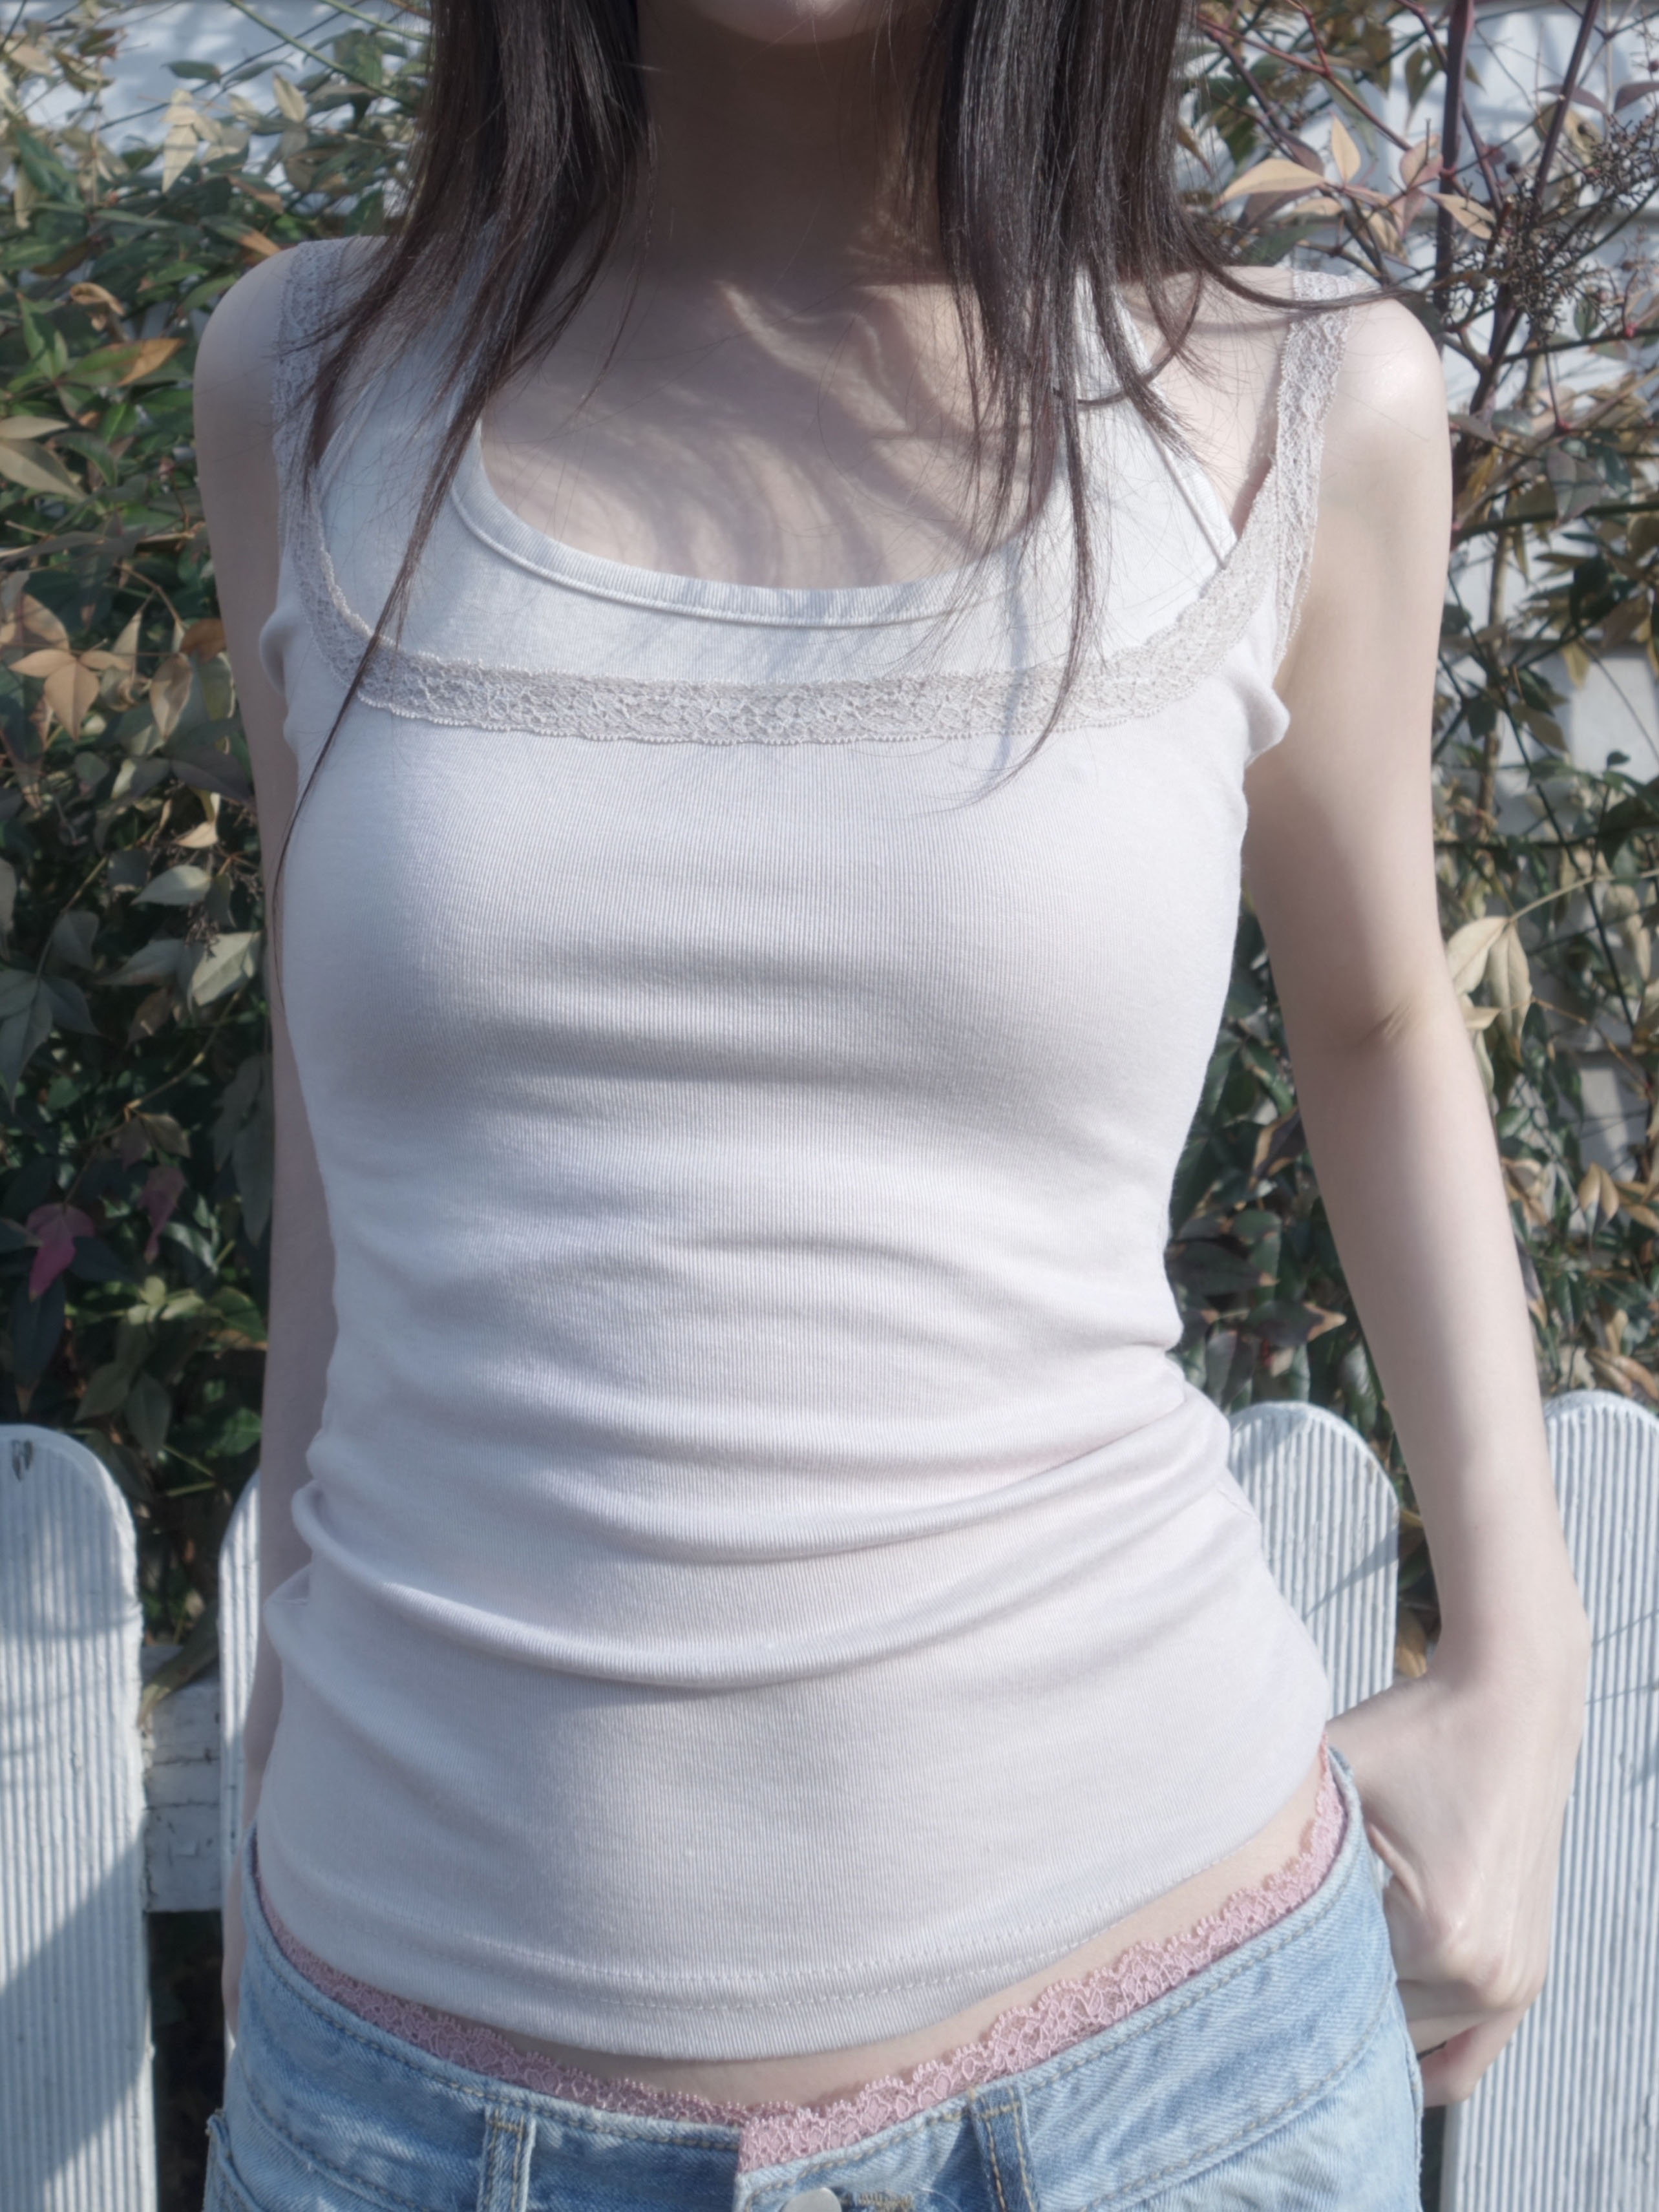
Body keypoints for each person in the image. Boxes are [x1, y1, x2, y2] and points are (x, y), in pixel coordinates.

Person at [193, 0, 1591, 2205]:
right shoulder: (312, 380)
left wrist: (1526, 1652)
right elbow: (342, 1089)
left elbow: (1382, 1019)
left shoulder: (1294, 403)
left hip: (1170, 2079)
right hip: (403, 2092)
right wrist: (291, 1634)